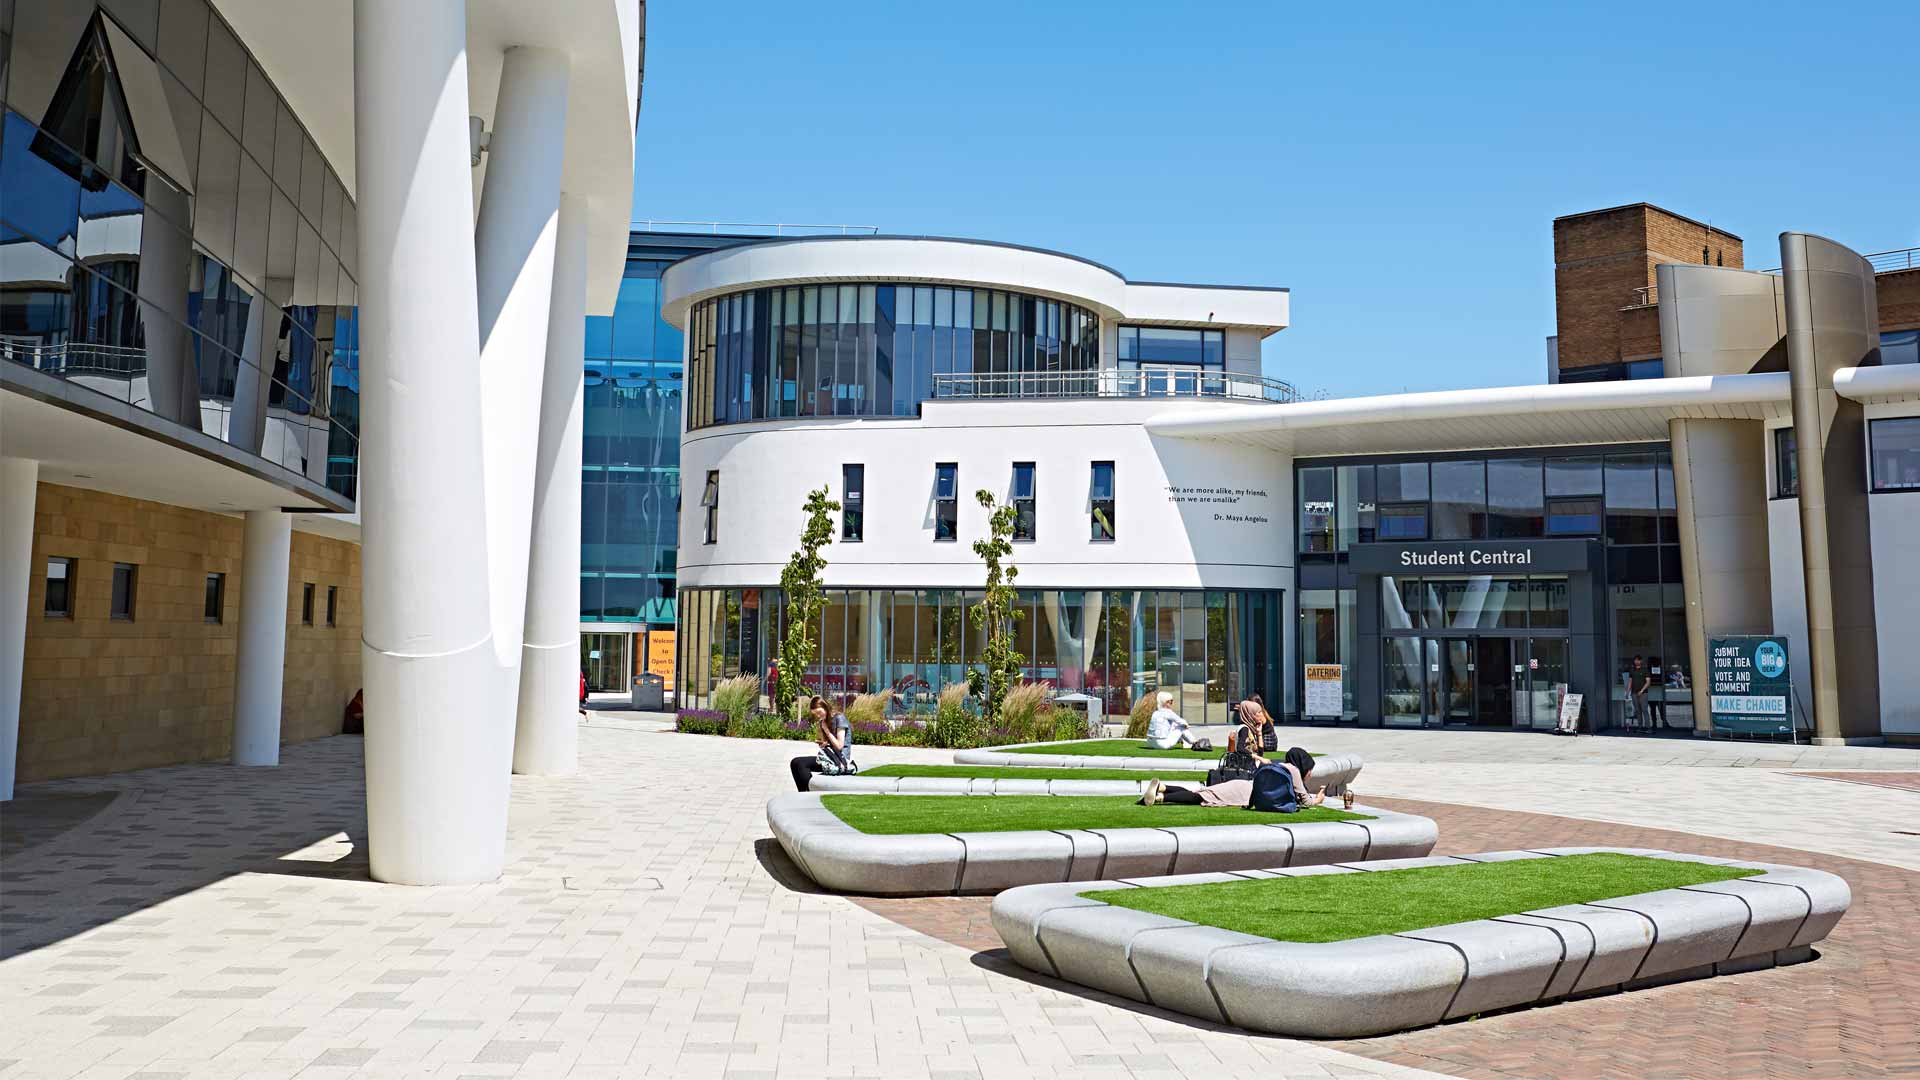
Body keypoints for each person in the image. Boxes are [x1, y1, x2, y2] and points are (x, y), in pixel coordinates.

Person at [1141, 747, 1348, 809]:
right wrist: (1319, 799)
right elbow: (1306, 801)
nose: (1310, 773)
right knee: (1202, 797)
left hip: (1244, 786)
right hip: (1244, 793)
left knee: (1202, 793)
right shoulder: (1294, 771)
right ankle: (1162, 797)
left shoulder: (1276, 763)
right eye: (1309, 769)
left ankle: (1163, 788)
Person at [787, 696, 853, 792]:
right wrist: (824, 744)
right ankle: (802, 793)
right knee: (795, 762)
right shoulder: (825, 721)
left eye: (819, 712)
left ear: (825, 707)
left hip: (840, 761)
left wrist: (826, 730)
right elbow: (831, 744)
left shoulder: (839, 718)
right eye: (816, 714)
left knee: (801, 764)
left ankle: (809, 793)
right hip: (830, 758)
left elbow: (839, 746)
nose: (818, 716)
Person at [1627, 656, 1651, 733]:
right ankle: (1639, 727)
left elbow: (1648, 682)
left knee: (1644, 710)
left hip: (1643, 693)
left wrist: (1641, 690)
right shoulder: (1632, 670)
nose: (1636, 661)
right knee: (1637, 711)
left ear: (1641, 661)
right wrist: (1628, 692)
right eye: (1635, 660)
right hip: (1634, 693)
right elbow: (1630, 682)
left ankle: (1648, 728)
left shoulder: (1645, 670)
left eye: (1638, 660)